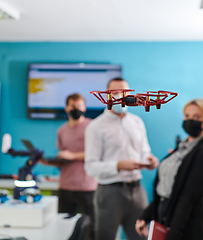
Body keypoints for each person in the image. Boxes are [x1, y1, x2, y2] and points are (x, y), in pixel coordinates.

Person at [85, 77, 159, 240]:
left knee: (141, 237)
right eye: (116, 92)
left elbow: (145, 152)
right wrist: (118, 166)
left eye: (125, 92)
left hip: (137, 191)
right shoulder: (96, 126)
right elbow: (90, 167)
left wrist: (150, 160)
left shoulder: (137, 122)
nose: (121, 96)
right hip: (110, 192)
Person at [135, 99, 203, 240]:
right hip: (164, 218)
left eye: (196, 117)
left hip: (185, 227)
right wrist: (146, 216)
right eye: (187, 116)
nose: (190, 120)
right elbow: (166, 190)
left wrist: (173, 235)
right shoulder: (180, 149)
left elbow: (187, 199)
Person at [40, 93, 97, 238]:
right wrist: (45, 161)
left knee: (91, 229)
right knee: (64, 227)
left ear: (84, 108)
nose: (76, 109)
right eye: (73, 106)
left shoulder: (92, 127)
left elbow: (96, 154)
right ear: (66, 108)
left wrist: (72, 155)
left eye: (79, 106)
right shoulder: (62, 130)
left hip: (87, 186)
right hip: (66, 186)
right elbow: (63, 156)